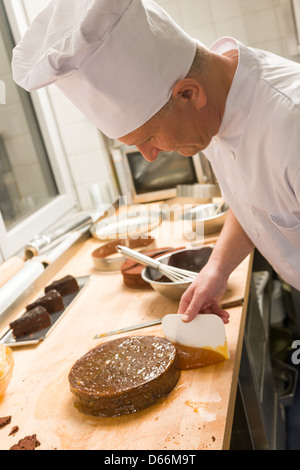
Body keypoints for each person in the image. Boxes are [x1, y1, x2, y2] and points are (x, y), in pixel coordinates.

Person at [12, 0, 300, 326]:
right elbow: (256, 196)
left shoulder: (291, 127)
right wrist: (216, 269)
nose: (149, 156)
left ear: (188, 94)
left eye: (148, 137)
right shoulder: (212, 107)